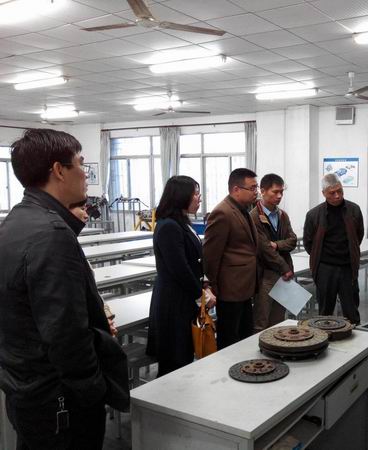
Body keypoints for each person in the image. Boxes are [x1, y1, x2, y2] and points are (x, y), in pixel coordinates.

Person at [0, 129, 129, 449]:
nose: (86, 174)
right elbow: (66, 333)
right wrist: (93, 390)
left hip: (26, 388)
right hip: (59, 400)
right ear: (59, 170)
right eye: (81, 164)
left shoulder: (16, 221)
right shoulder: (52, 234)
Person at [203, 168, 290, 350]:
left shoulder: (243, 210)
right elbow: (211, 256)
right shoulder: (222, 213)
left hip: (244, 286)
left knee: (243, 335)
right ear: (236, 189)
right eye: (252, 188)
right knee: (229, 339)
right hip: (230, 288)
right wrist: (212, 287)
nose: (256, 192)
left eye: (256, 188)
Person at [146, 176, 215, 376]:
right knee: (174, 359)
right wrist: (200, 296)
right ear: (180, 196)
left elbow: (194, 261)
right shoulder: (168, 226)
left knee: (184, 353)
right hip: (173, 301)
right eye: (195, 193)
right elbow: (179, 268)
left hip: (184, 297)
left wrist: (205, 286)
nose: (199, 198)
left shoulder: (181, 222)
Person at [303, 173, 364, 325]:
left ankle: (353, 335)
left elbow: (358, 236)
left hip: (348, 267)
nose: (337, 196)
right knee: (325, 311)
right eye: (332, 193)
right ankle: (325, 336)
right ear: (324, 193)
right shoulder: (314, 215)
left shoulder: (354, 210)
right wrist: (322, 258)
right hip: (325, 269)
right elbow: (309, 243)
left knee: (351, 310)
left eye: (340, 191)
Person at [250, 173, 297, 333]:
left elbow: (292, 240)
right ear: (262, 191)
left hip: (283, 275)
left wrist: (277, 245)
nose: (279, 196)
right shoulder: (254, 217)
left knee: (278, 319)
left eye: (281, 192)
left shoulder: (282, 215)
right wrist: (285, 268)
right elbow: (264, 249)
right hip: (266, 275)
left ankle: (276, 346)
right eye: (275, 192)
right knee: (261, 320)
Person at [69, 199, 118, 337]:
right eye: (82, 209)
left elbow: (92, 291)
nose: (86, 215)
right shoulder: (61, 247)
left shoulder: (72, 242)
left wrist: (105, 315)